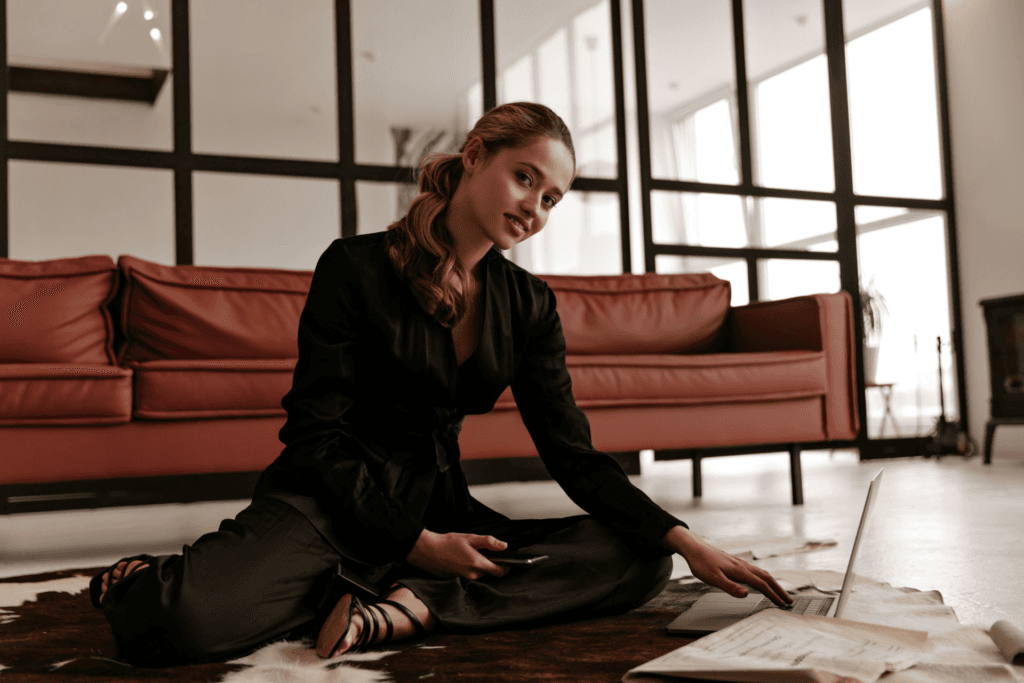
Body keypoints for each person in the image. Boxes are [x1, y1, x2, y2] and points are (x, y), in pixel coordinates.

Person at [90, 102, 791, 667]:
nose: (535, 209)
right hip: (328, 501)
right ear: (475, 156)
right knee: (182, 622)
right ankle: (164, 574)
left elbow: (572, 454)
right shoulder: (354, 267)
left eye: (552, 198)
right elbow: (314, 433)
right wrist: (413, 540)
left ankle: (409, 607)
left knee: (641, 560)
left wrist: (683, 537)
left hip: (442, 513)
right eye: (525, 179)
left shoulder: (531, 304)